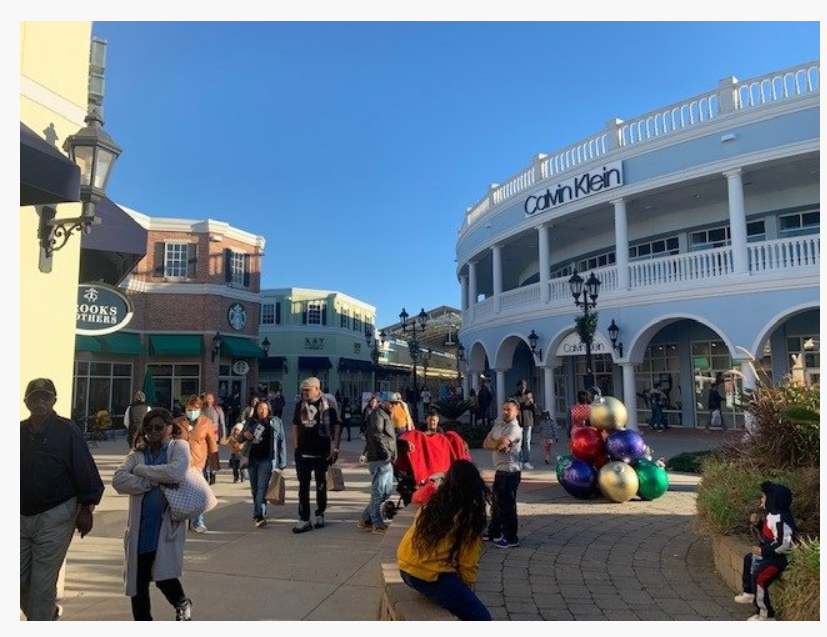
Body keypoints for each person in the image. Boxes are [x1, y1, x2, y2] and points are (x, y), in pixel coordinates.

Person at [21, 378, 104, 621]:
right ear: (26, 401)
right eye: (34, 397)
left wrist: (87, 509)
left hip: (55, 515)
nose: (39, 402)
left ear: (54, 401)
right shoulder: (17, 431)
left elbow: (85, 471)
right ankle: (48, 616)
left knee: (42, 583)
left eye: (44, 397)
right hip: (20, 516)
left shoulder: (67, 431)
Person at [112, 409, 193, 620]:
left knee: (164, 577)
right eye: (148, 428)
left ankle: (182, 603)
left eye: (159, 427)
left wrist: (141, 471)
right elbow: (118, 480)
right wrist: (152, 481)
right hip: (141, 530)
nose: (153, 432)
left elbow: (175, 472)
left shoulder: (179, 447)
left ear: (170, 428)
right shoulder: (137, 454)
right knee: (138, 585)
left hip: (165, 527)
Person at [397, 459, 492, 621]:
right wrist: (465, 590)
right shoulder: (468, 515)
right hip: (429, 576)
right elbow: (468, 563)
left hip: (405, 569)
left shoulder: (432, 504)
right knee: (481, 617)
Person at [733, 482, 797, 621]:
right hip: (769, 554)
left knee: (760, 577)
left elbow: (784, 544)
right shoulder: (772, 516)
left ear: (773, 500)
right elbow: (769, 534)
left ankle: (766, 614)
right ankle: (749, 593)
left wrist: (763, 551)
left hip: (778, 559)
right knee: (749, 559)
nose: (761, 499)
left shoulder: (782, 520)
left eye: (763, 497)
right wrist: (758, 523)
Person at [292, 377, 341, 533]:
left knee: (321, 485)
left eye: (307, 390)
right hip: (303, 452)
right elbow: (296, 425)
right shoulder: (300, 404)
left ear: (316, 389)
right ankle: (304, 518)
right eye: (303, 390)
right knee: (303, 487)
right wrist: (296, 446)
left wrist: (335, 448)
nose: (304, 392)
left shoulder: (329, 405)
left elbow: (336, 426)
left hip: (322, 452)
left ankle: (320, 513)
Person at [238, 400, 287, 527]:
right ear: (256, 409)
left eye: (265, 408)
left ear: (269, 410)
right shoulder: (250, 422)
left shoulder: (275, 422)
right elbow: (239, 439)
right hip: (251, 459)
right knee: (255, 488)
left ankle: (259, 515)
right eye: (260, 408)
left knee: (262, 487)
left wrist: (282, 461)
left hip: (267, 459)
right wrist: (244, 434)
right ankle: (259, 510)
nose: (263, 411)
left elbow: (281, 441)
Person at [482, 399, 522, 549]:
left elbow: (501, 446)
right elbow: (485, 443)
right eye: (503, 409)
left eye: (509, 409)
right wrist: (497, 443)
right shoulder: (499, 425)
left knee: (507, 506)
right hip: (500, 471)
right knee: (497, 504)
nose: (505, 412)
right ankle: (493, 531)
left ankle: (511, 538)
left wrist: (497, 443)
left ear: (516, 412)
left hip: (510, 472)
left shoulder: (515, 429)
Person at [175, 395, 219, 533]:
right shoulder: (177, 422)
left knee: (198, 493)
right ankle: (182, 520)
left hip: (198, 463)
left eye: (195, 409)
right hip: (180, 462)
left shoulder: (206, 423)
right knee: (181, 493)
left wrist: (214, 465)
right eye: (189, 409)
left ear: (199, 409)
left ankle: (198, 521)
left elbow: (212, 444)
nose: (191, 411)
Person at [357, 395, 397, 535]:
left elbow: (387, 437)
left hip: (385, 459)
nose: (393, 406)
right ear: (383, 402)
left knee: (385, 492)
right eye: (391, 403)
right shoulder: (377, 415)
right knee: (378, 493)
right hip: (379, 458)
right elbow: (376, 435)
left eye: (395, 403)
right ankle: (377, 524)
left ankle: (366, 519)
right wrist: (386, 453)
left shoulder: (384, 414)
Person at [512, 379, 536, 469]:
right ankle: (520, 460)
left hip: (528, 421)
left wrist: (532, 402)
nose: (523, 387)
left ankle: (526, 461)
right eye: (521, 386)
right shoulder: (514, 397)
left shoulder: (529, 395)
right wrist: (525, 403)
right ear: (518, 386)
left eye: (524, 386)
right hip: (518, 422)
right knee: (519, 442)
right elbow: (516, 407)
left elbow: (534, 408)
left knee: (527, 442)